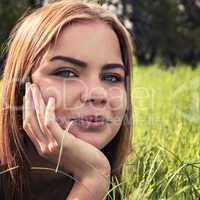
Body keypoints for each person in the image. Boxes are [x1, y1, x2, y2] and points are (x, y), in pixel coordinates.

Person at [0, 0, 134, 199]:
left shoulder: (132, 181)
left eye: (111, 77)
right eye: (67, 73)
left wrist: (94, 176)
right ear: (22, 87)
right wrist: (93, 177)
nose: (97, 95)